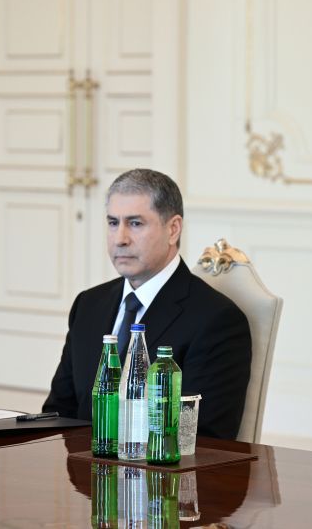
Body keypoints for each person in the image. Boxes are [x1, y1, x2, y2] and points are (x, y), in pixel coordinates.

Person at [44, 169, 251, 439]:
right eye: (113, 222)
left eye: (135, 223)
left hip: (155, 468)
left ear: (173, 229)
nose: (120, 238)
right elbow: (58, 413)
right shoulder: (88, 305)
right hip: (78, 464)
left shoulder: (217, 320)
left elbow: (202, 439)